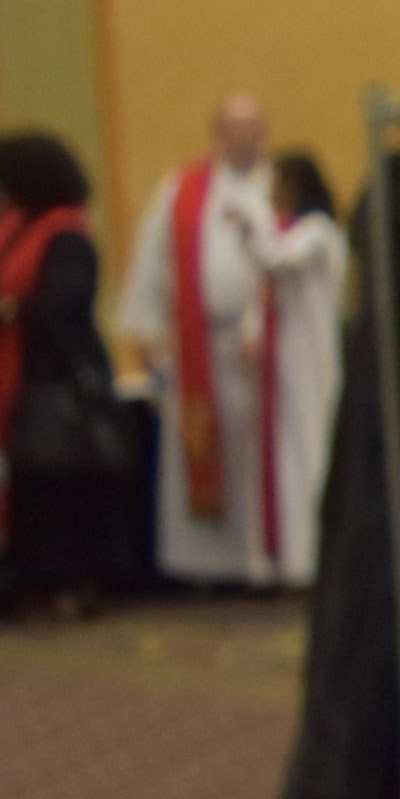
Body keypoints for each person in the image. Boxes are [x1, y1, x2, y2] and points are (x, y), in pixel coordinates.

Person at [121, 90, 306, 587]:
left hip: (268, 345)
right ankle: (205, 565)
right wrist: (149, 333)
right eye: (234, 129)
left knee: (259, 453)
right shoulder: (182, 190)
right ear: (217, 134)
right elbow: (155, 262)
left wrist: (259, 325)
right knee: (207, 447)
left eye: (253, 129)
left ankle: (266, 561)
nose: (244, 139)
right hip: (200, 343)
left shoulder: (284, 189)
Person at [0, 129, 133, 617]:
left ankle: (73, 580)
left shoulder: (67, 232)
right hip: (21, 374)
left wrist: (3, 309)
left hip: (57, 376)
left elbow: (67, 300)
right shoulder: (17, 229)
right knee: (34, 486)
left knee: (62, 484)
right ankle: (35, 577)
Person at [261, 147, 352, 579]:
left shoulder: (317, 231)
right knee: (297, 450)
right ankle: (300, 557)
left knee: (311, 448)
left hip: (315, 358)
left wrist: (246, 225)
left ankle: (313, 557)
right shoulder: (310, 231)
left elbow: (275, 259)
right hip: (297, 357)